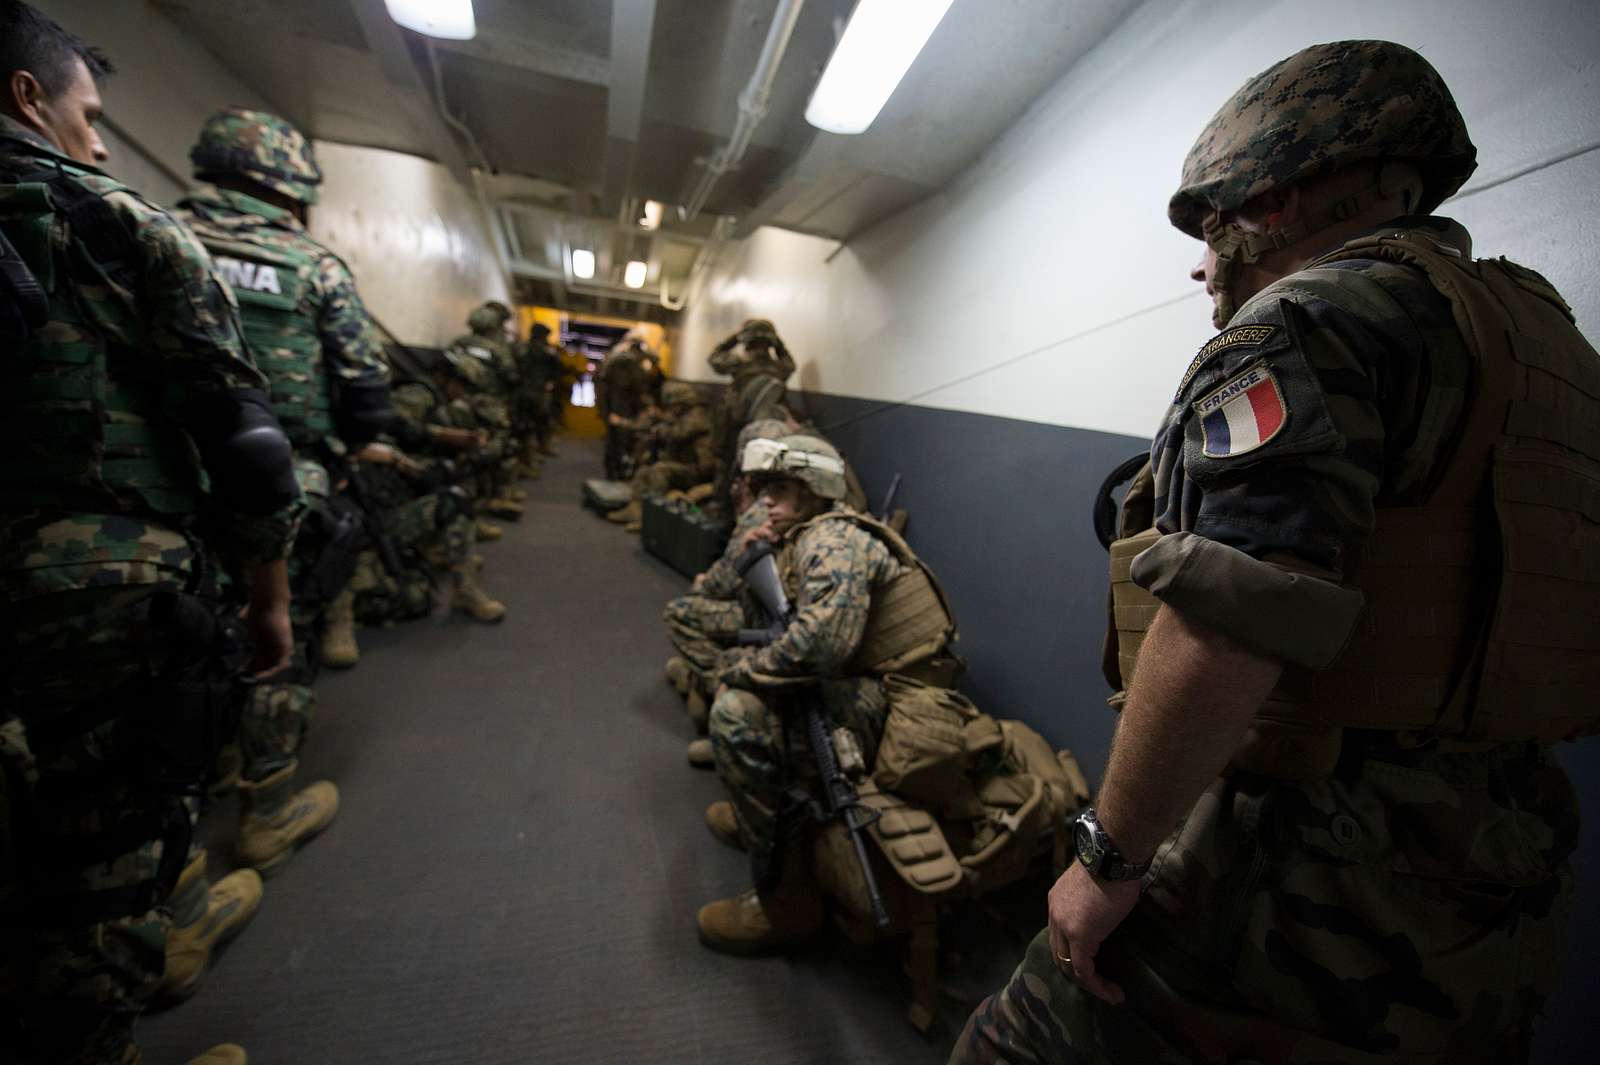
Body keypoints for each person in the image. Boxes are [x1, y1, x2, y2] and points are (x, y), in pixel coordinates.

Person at [952, 39, 1588, 1065]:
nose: (1202, 261)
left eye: (1213, 223)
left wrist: (1105, 861)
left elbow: (1227, 623)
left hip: (1300, 887)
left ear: (1282, 201)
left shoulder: (1306, 326)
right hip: (1494, 887)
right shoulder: (1542, 345)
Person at [0, 5, 302, 1061]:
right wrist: (270, 595)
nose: (97, 137)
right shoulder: (116, 221)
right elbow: (252, 448)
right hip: (87, 583)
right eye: (88, 114)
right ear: (27, 97)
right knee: (102, 843)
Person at [176, 106, 405, 882]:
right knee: (283, 632)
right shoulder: (314, 266)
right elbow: (365, 393)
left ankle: (188, 795)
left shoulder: (153, 235)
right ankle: (266, 811)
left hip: (161, 480)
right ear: (291, 188)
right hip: (283, 480)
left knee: (174, 632)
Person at [698, 434, 954, 955]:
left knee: (737, 717)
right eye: (764, 487)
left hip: (893, 699)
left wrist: (742, 672)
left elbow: (820, 646)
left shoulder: (832, 540)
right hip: (859, 681)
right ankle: (763, 819)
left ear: (814, 491)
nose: (765, 499)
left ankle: (785, 907)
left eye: (781, 487)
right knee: (750, 690)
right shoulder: (806, 535)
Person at [661, 417, 793, 741]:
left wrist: (702, 584)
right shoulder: (801, 500)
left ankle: (709, 684)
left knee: (681, 613)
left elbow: (721, 585)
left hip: (768, 619)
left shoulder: (762, 510)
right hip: (781, 612)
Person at [443, 302, 526, 515]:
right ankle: (494, 498)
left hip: (457, 405)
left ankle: (468, 507)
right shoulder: (497, 349)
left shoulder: (458, 344)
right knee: (496, 451)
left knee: (463, 453)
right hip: (490, 407)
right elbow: (511, 376)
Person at [605, 381, 716, 532]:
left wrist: (660, 431)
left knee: (659, 470)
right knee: (644, 470)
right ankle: (634, 509)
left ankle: (651, 517)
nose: (672, 408)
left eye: (675, 405)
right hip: (685, 465)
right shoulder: (684, 414)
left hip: (697, 471)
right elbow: (665, 423)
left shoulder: (697, 417)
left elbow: (677, 433)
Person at [596, 338, 652, 480]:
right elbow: (634, 388)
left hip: (616, 407)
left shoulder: (617, 362)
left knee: (615, 441)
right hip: (621, 408)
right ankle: (617, 472)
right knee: (620, 442)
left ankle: (614, 471)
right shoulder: (628, 365)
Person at [515, 321, 562, 460]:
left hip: (523, 390)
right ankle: (541, 448)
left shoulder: (521, 348)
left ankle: (526, 453)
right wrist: (551, 383)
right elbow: (557, 370)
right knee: (542, 421)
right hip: (539, 392)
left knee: (524, 423)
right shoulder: (548, 351)